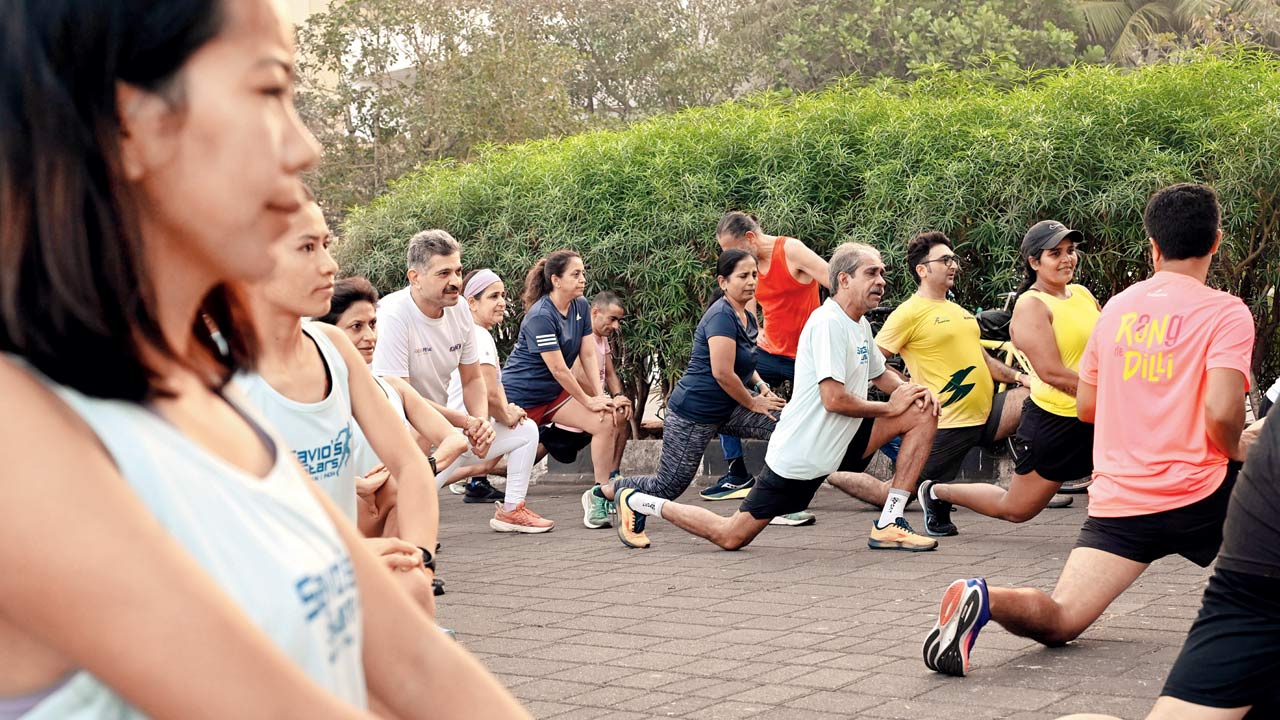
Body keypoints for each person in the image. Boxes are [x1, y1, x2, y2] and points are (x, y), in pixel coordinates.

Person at [0, 0, 528, 717]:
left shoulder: (203, 391)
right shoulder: (25, 434)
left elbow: (417, 663)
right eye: (270, 90)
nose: (304, 148)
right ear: (131, 122)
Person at [925, 184, 1254, 679]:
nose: (1066, 259)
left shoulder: (1115, 309)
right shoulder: (1225, 311)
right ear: (1216, 242)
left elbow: (1090, 406)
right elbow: (1222, 414)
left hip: (1123, 500)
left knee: (1061, 619)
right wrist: (1239, 448)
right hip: (1202, 493)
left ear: (1153, 247)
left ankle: (984, 598)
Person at [611, 244, 940, 552]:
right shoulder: (828, 323)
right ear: (844, 279)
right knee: (731, 536)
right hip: (801, 455)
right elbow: (833, 399)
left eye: (882, 273)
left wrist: (910, 390)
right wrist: (890, 406)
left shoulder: (860, 324)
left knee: (921, 411)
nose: (881, 281)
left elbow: (881, 374)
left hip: (839, 442)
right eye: (872, 273)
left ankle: (890, 520)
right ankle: (639, 500)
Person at [238, 201, 447, 609]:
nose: (330, 265)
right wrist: (344, 557)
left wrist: (420, 562)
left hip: (343, 588)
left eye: (327, 244)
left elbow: (409, 464)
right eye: (307, 248)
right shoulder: (214, 371)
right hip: (263, 605)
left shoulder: (333, 346)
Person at [583, 250, 817, 531]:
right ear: (723, 282)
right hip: (695, 413)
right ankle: (602, 492)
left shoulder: (747, 316)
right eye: (742, 276)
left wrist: (762, 388)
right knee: (668, 485)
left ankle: (775, 504)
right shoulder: (720, 317)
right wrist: (753, 403)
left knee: (785, 426)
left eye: (754, 275)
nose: (751, 281)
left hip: (729, 407)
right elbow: (722, 373)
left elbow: (743, 363)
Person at [835, 231, 1035, 535]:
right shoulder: (908, 313)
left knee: (1035, 398)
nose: (953, 265)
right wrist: (908, 390)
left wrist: (1022, 378)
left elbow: (984, 361)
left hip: (987, 414)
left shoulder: (960, 312)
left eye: (953, 259)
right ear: (922, 270)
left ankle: (1038, 481)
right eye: (945, 260)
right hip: (948, 423)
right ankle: (827, 472)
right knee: (890, 493)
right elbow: (872, 363)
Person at [916, 221, 1099, 533]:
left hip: (1092, 414)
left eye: (1071, 251)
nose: (1067, 258)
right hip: (1055, 421)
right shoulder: (1031, 305)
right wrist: (1110, 397)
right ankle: (936, 491)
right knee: (1016, 509)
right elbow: (1051, 372)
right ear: (1034, 262)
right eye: (1055, 253)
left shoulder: (1082, 295)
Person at [373, 230, 553, 516]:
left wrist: (481, 423)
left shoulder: (458, 311)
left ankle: (511, 511)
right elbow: (401, 399)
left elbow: (472, 379)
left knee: (525, 430)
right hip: (396, 430)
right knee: (395, 510)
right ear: (415, 277)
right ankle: (398, 519)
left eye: (458, 271)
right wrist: (466, 422)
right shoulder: (392, 315)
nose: (455, 282)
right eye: (443, 273)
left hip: (445, 430)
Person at [313, 276, 470, 539]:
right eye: (356, 326)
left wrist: (411, 474)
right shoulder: (312, 397)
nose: (369, 336)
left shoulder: (392, 387)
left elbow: (454, 441)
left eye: (372, 324)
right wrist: (356, 485)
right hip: (336, 528)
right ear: (329, 333)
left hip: (393, 524)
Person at [706, 213, 831, 500]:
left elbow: (837, 284)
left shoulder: (791, 251)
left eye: (731, 249)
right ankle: (737, 473)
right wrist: (755, 330)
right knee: (725, 385)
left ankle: (907, 471)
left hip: (809, 357)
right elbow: (747, 305)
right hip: (771, 353)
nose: (730, 256)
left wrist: (829, 331)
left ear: (750, 238)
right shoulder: (748, 269)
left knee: (843, 406)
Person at [443, 269, 553, 532]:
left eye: (502, 295)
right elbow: (489, 394)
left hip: (457, 437)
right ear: (472, 303)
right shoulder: (477, 336)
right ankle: (511, 511)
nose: (502, 302)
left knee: (410, 490)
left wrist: (506, 410)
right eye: (493, 296)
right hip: (463, 437)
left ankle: (511, 511)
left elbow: (492, 390)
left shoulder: (469, 333)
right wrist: (507, 414)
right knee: (525, 429)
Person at [501, 250, 618, 487]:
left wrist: (599, 396)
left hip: (553, 396)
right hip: (520, 396)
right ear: (556, 280)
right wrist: (587, 400)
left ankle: (601, 493)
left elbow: (586, 353)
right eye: (576, 274)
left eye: (583, 273)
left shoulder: (581, 306)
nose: (583, 279)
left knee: (604, 420)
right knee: (482, 464)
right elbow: (559, 369)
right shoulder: (541, 316)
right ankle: (444, 474)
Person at [540, 291, 633, 479]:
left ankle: (611, 475)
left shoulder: (602, 338)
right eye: (612, 319)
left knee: (621, 415)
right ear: (595, 312)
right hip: (571, 419)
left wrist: (617, 397)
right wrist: (602, 400)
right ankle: (473, 474)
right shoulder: (581, 337)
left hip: (592, 415)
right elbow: (577, 378)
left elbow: (610, 374)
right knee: (511, 469)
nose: (616, 326)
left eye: (618, 321)